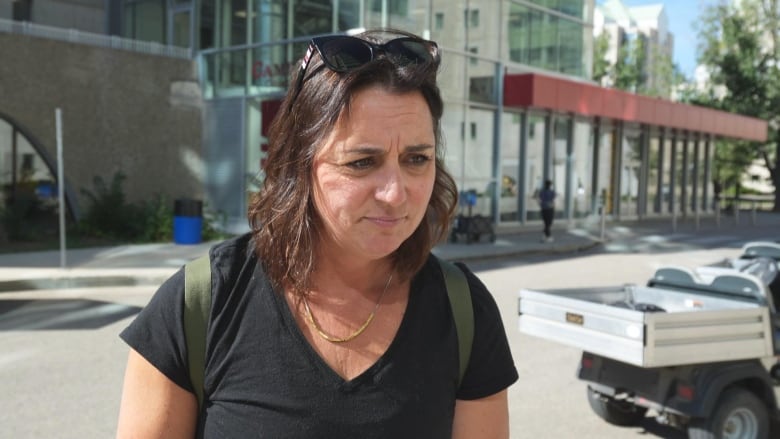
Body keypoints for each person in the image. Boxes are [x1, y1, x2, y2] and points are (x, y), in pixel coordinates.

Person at [115, 29, 518, 438]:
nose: (396, 194)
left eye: (417, 158)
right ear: (299, 163)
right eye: (362, 162)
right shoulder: (200, 306)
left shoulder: (464, 311)